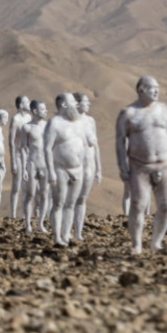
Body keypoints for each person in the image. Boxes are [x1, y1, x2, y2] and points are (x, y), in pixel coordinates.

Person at [116, 76, 167, 254]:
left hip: (165, 164)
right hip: (140, 166)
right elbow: (120, 142)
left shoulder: (163, 110)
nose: (156, 91)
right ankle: (136, 244)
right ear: (141, 90)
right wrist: (122, 167)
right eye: (152, 88)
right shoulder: (128, 113)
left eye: (157, 87)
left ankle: (156, 242)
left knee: (166, 205)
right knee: (138, 204)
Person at [45, 93, 87, 246]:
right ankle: (57, 237)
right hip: (60, 169)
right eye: (72, 101)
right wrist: (50, 171)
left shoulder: (77, 122)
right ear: (63, 104)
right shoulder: (54, 123)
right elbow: (47, 148)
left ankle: (66, 235)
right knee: (59, 203)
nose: (76, 104)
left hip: (78, 169)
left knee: (71, 203)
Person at [73, 93, 102, 241]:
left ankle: (78, 232)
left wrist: (99, 169)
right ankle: (65, 230)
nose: (89, 104)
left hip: (88, 165)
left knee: (82, 199)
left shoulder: (91, 121)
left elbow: (96, 146)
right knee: (70, 199)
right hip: (73, 166)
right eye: (86, 101)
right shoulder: (69, 121)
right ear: (77, 104)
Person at [20, 99, 50, 234]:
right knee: (30, 194)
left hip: (45, 164)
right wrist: (24, 168)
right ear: (35, 111)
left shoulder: (48, 126)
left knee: (44, 195)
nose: (46, 111)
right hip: (32, 163)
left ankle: (41, 224)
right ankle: (27, 224)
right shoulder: (26, 128)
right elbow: (23, 149)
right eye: (43, 109)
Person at [9, 95, 32, 218]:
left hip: (28, 156)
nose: (29, 103)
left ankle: (24, 214)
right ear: (21, 105)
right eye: (26, 102)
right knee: (16, 185)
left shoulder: (29, 117)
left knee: (26, 186)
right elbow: (11, 141)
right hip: (18, 155)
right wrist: (13, 161)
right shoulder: (15, 119)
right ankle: (13, 214)